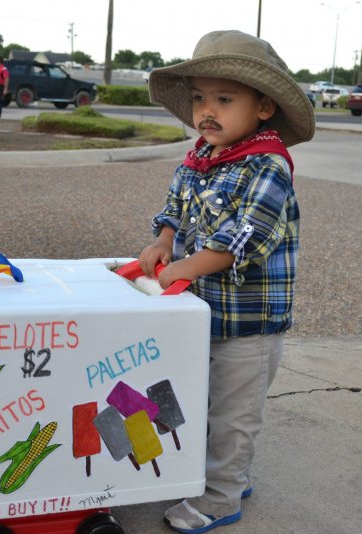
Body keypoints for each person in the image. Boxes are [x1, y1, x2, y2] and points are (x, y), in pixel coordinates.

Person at [141, 30, 314, 533]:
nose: (206, 111)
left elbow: (244, 238)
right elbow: (175, 207)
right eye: (199, 98)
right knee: (202, 400)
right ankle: (227, 473)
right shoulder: (199, 156)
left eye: (223, 98)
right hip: (200, 313)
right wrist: (163, 241)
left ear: (263, 108)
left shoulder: (269, 165)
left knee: (234, 413)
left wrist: (184, 268)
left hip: (249, 322)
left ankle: (221, 498)